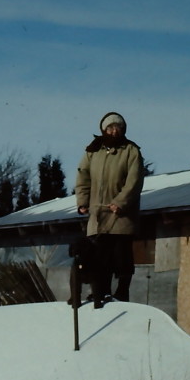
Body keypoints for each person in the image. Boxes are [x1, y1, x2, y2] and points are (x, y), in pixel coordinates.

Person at [75, 112, 144, 308]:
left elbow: (135, 181)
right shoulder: (93, 151)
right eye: (110, 127)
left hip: (121, 215)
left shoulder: (131, 151)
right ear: (103, 130)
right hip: (98, 214)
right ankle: (101, 292)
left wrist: (121, 202)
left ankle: (122, 292)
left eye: (118, 127)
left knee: (122, 255)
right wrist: (83, 202)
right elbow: (83, 177)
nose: (114, 131)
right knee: (99, 257)